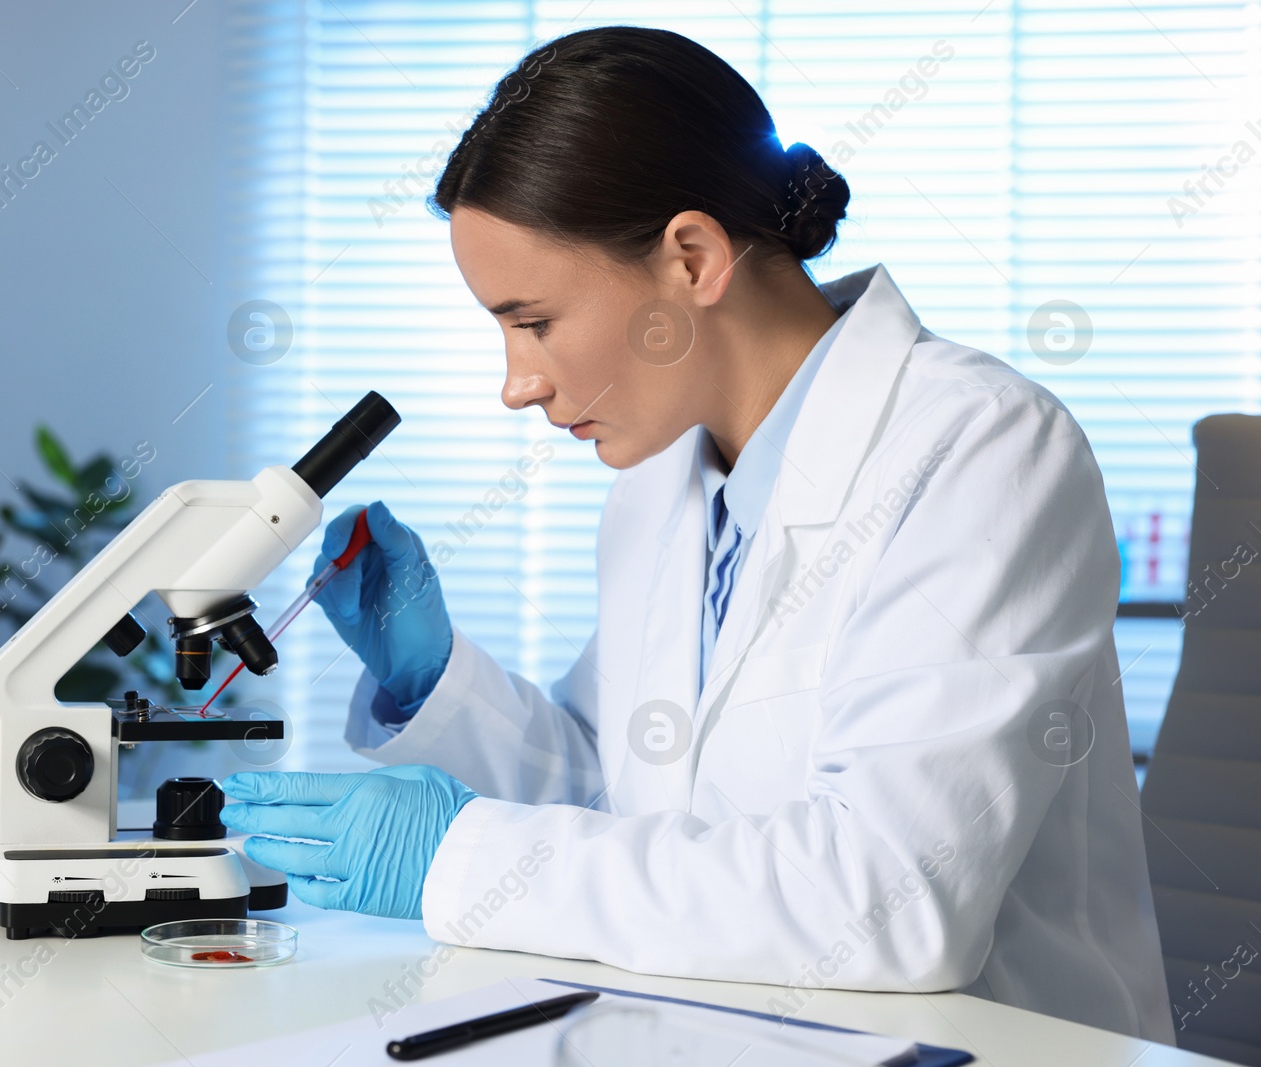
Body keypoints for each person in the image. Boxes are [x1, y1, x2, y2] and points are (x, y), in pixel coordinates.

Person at [219, 25, 1174, 1042]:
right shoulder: (663, 476)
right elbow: (616, 791)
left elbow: (890, 898)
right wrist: (435, 679)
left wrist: (454, 855)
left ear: (691, 257)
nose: (517, 383)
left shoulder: (978, 448)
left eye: (533, 320)